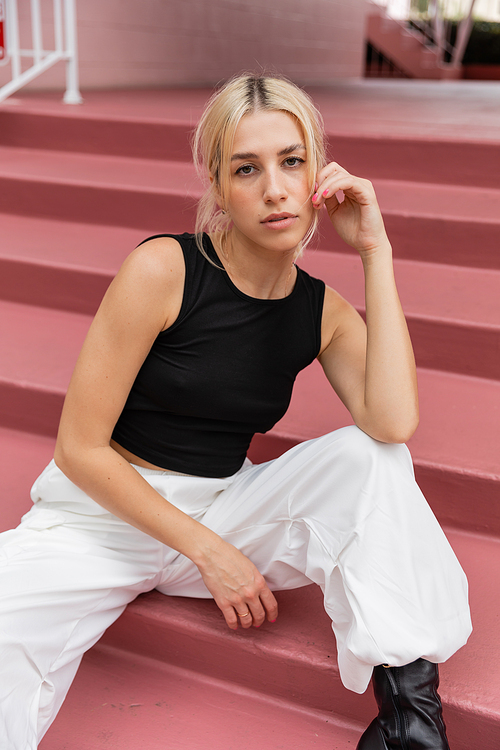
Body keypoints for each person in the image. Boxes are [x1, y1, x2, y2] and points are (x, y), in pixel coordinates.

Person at [0, 73, 471, 750]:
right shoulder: (165, 269)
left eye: (292, 161)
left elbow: (392, 423)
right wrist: (208, 552)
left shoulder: (321, 312)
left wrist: (375, 251)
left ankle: (410, 725)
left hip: (225, 504)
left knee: (370, 457)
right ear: (218, 187)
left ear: (318, 174)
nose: (275, 188)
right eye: (246, 168)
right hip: (100, 523)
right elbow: (80, 448)